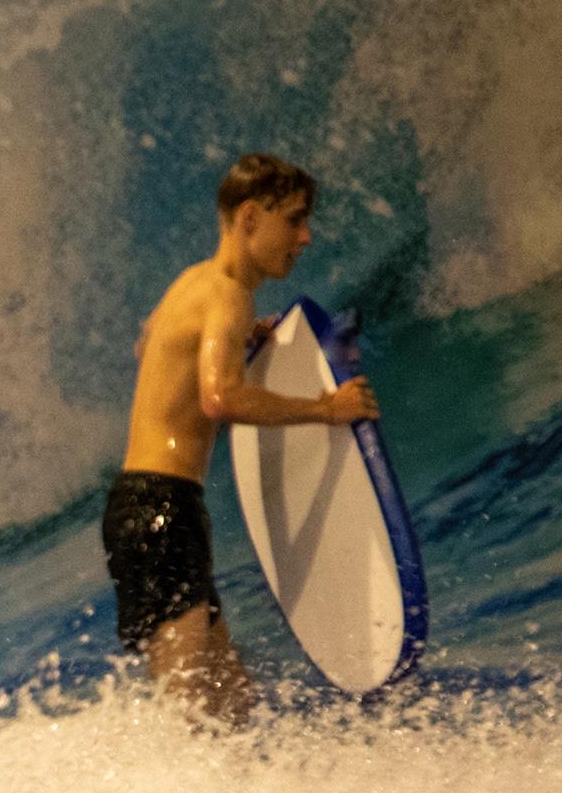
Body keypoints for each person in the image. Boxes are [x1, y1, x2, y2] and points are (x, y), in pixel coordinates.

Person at [108, 151, 380, 723]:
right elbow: (220, 398)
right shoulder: (228, 295)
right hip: (162, 511)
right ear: (251, 217)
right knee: (189, 722)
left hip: (152, 508)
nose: (305, 238)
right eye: (295, 220)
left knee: (232, 709)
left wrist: (227, 338)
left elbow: (149, 340)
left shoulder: (195, 284)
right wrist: (326, 409)